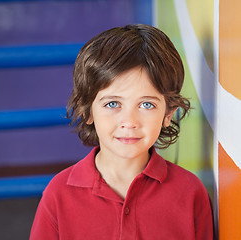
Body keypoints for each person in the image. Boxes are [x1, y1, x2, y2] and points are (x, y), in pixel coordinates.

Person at [30, 24, 214, 239]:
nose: (129, 122)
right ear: (88, 110)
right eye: (112, 104)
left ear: (168, 114)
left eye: (146, 105)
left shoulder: (190, 192)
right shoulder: (58, 193)